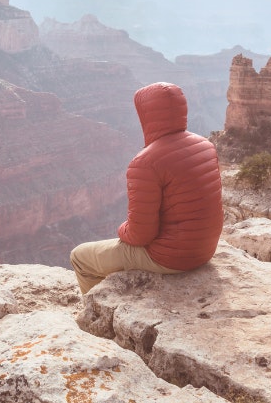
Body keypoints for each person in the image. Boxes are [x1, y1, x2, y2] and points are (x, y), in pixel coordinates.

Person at [70, 81, 223, 294]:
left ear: (146, 114)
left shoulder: (145, 162)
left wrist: (121, 229)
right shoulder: (205, 145)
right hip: (205, 249)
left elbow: (140, 236)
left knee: (80, 257)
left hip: (171, 258)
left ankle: (94, 312)